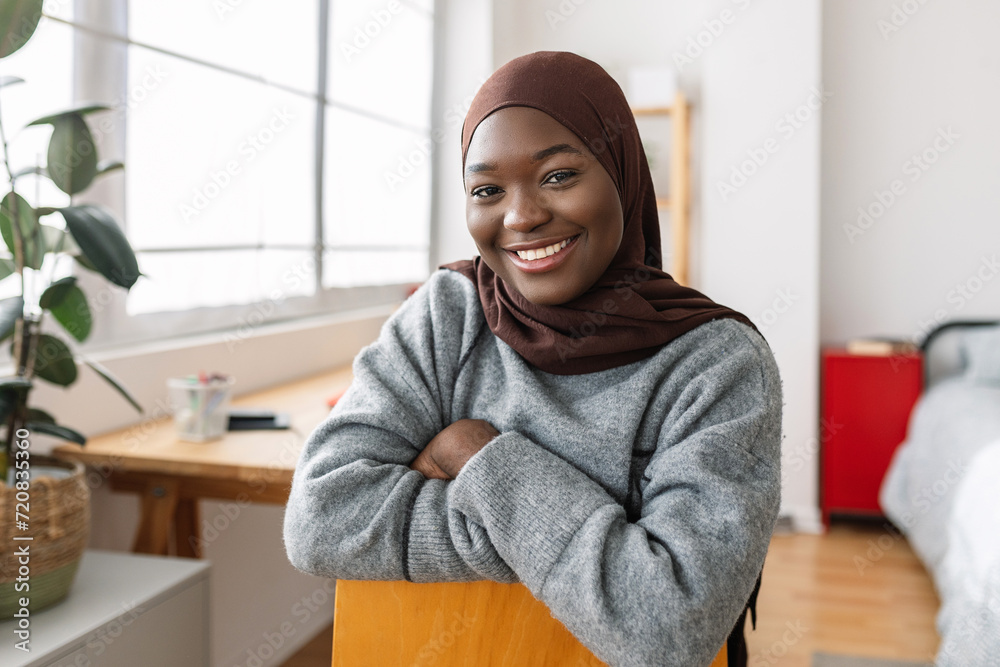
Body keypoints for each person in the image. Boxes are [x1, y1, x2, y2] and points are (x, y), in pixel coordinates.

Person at [283, 51, 782, 667]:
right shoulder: (450, 312)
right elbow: (319, 520)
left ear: (622, 174)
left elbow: (669, 627)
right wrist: (607, 543)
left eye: (557, 176)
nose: (521, 216)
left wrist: (472, 452)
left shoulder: (717, 364)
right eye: (487, 190)